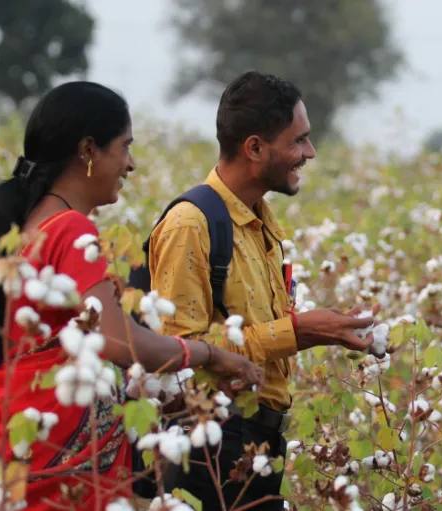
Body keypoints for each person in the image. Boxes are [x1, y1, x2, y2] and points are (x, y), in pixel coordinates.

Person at [0, 81, 263, 511]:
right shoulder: (70, 229)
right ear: (88, 150)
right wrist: (208, 354)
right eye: (124, 147)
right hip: (59, 471)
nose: (130, 164)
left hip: (20, 453)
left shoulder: (29, 227)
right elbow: (119, 342)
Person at [148, 71, 375, 510]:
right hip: (210, 450)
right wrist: (299, 331)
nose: (309, 153)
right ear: (254, 148)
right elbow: (176, 353)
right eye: (298, 141)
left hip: (260, 443)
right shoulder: (190, 225)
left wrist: (320, 330)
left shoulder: (260, 221)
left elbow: (253, 336)